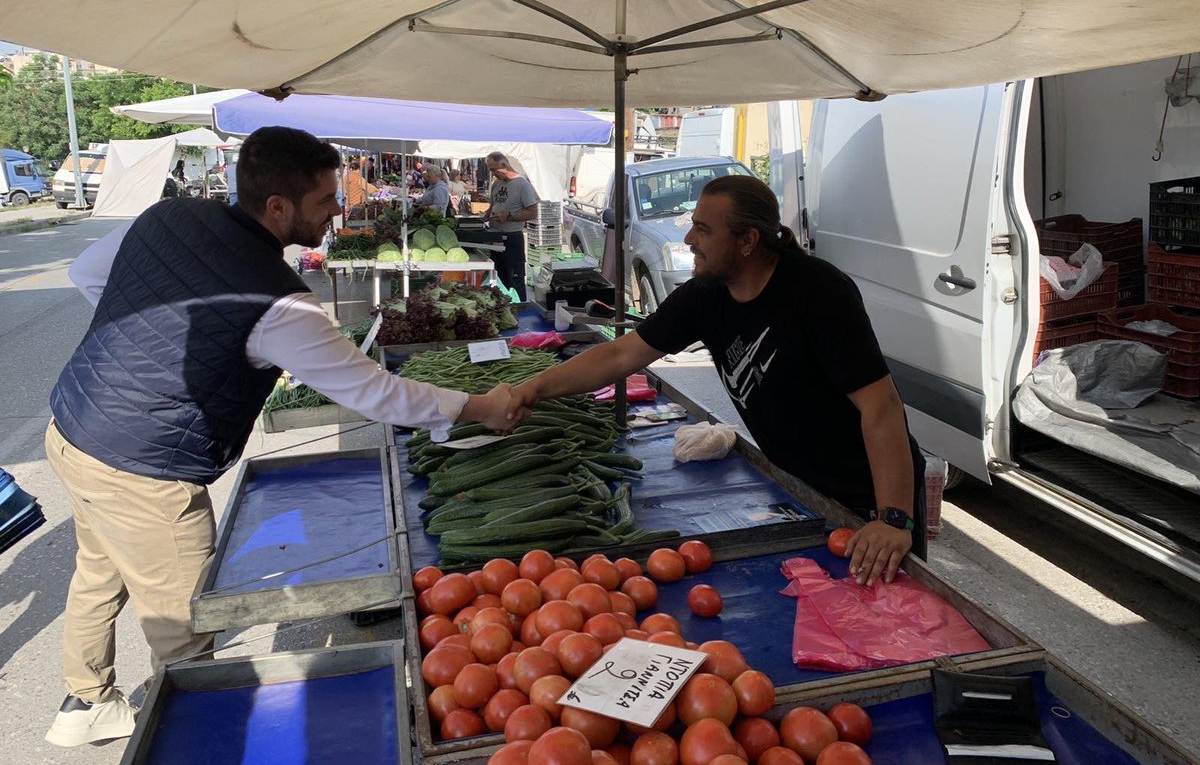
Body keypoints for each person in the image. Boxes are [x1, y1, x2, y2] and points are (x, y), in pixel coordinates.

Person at [42, 126, 514, 748]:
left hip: (74, 429)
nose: (338, 210)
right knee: (186, 633)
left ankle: (86, 702)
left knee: (100, 570)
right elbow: (375, 392)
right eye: (325, 201)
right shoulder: (275, 301)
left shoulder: (170, 215)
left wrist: (160, 340)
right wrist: (480, 406)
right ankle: (203, 747)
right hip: (144, 466)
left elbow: (87, 275)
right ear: (277, 207)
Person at [507, 175, 926, 582]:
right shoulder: (706, 295)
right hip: (800, 487)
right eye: (692, 225)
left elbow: (881, 406)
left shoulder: (818, 293)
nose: (690, 239)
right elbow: (620, 354)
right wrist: (529, 391)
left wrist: (893, 517)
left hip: (869, 493)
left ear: (748, 241)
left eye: (703, 229)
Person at [483, 151, 539, 301]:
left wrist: (508, 216)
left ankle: (520, 312)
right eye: (490, 170)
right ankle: (504, 309)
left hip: (512, 239)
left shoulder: (522, 184)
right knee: (499, 279)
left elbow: (533, 213)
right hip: (495, 238)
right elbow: (493, 205)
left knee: (515, 279)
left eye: (494, 169)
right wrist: (486, 214)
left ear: (505, 164)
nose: (493, 174)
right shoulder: (496, 184)